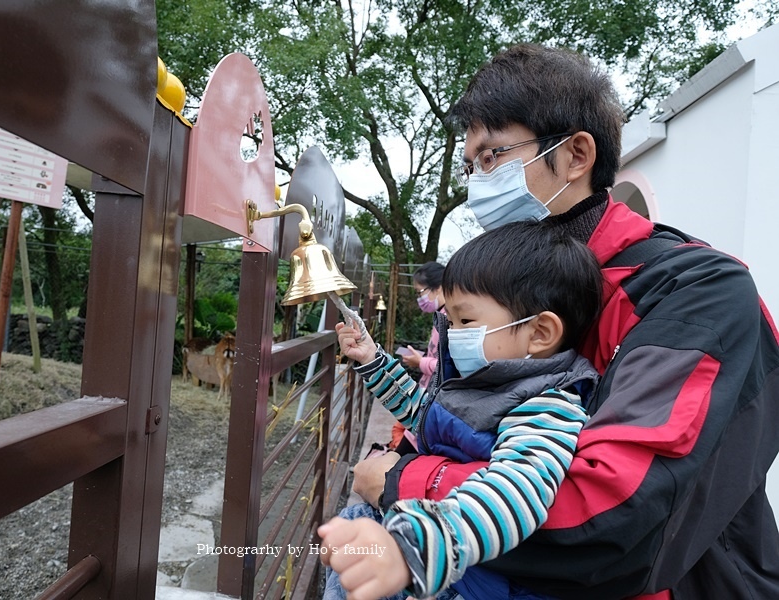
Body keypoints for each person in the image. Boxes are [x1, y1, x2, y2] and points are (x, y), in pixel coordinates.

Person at [340, 43, 779, 599]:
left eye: (493, 156)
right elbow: (456, 414)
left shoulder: (695, 293)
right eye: (470, 165)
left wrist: (403, 482)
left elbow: (607, 520)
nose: (478, 182)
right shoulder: (500, 293)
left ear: (576, 155)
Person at [321, 220, 603, 600]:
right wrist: (373, 360)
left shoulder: (548, 404)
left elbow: (515, 490)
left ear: (540, 333)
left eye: (465, 321)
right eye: (450, 322)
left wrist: (416, 546)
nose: (452, 335)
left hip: (466, 580)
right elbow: (425, 415)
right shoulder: (491, 382)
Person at [392, 261, 445, 452]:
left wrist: (421, 362)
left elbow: (449, 365)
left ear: (438, 288)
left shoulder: (449, 319)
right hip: (426, 398)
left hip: (433, 401)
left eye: (420, 292)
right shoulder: (441, 315)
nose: (419, 298)